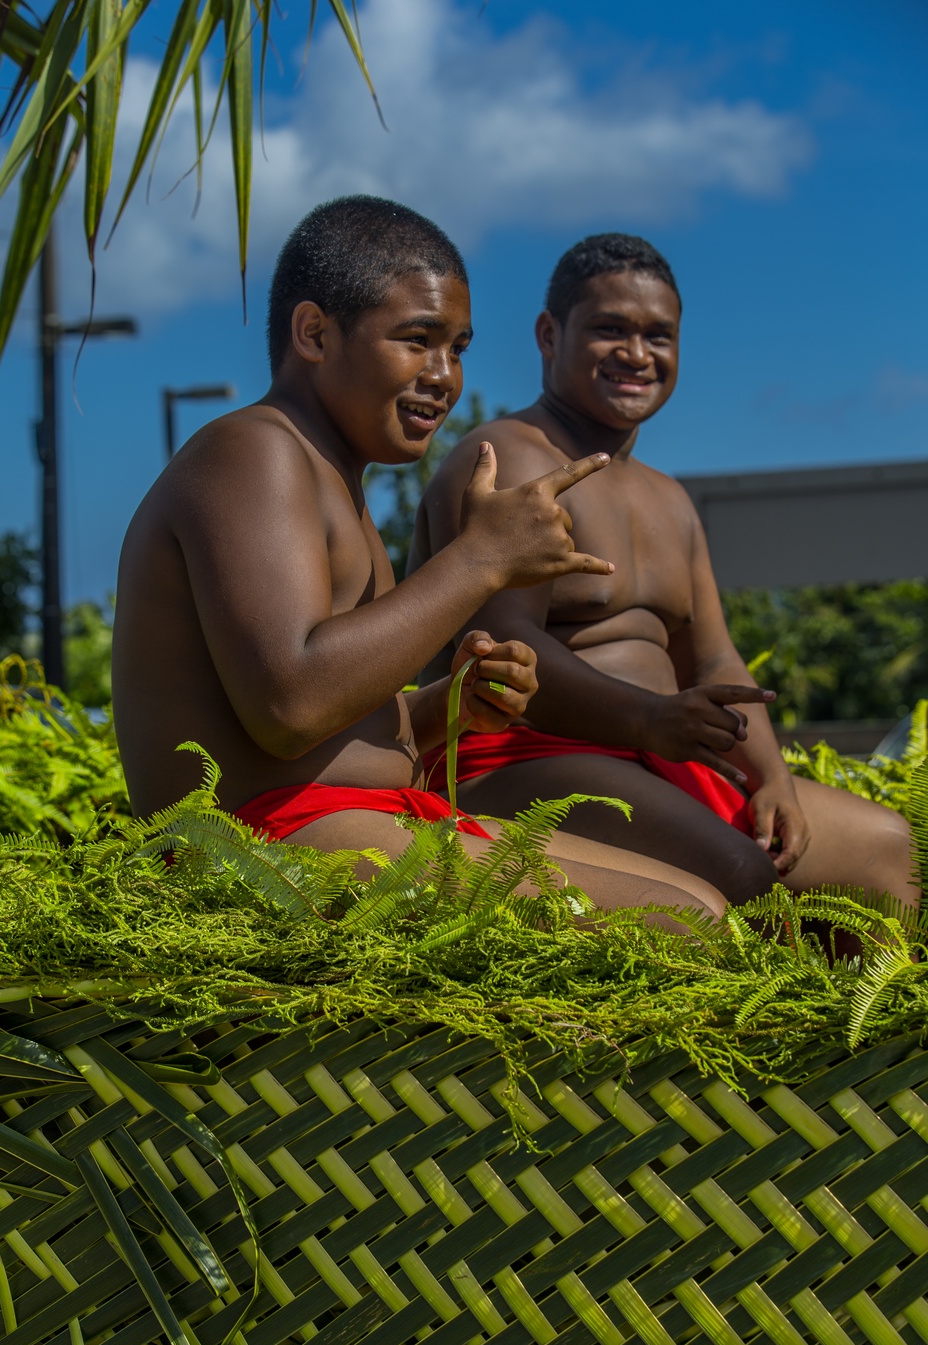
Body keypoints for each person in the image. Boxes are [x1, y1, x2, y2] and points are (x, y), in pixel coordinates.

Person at [112, 198, 725, 922]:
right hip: (267, 841)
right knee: (688, 920)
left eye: (458, 348)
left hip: (360, 821)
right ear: (314, 332)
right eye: (417, 339)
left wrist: (451, 706)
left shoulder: (333, 479)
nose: (444, 376)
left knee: (703, 899)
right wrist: (482, 559)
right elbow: (290, 705)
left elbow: (330, 715)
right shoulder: (255, 451)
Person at [408, 232, 915, 908]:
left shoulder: (669, 499)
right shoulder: (511, 459)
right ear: (549, 334)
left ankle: (864, 1012)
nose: (637, 354)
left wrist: (770, 779)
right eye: (610, 329)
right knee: (738, 871)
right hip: (520, 758)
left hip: (660, 756)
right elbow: (507, 659)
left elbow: (714, 663)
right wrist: (650, 720)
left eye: (659, 335)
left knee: (885, 846)